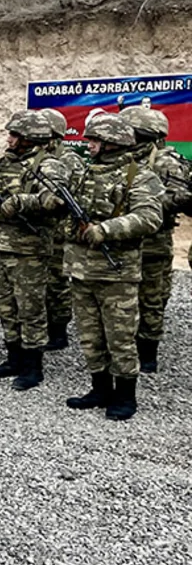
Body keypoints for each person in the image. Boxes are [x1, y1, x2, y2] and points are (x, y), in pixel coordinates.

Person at [63, 115, 162, 420]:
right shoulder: (84, 172)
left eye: (94, 140)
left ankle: (126, 395)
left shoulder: (139, 176)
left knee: (120, 337)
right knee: (90, 336)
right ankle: (100, 388)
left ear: (112, 143)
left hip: (116, 272)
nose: (89, 144)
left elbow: (149, 217)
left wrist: (106, 229)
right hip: (81, 269)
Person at [0, 111, 65, 391]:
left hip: (29, 250)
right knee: (5, 305)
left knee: (30, 308)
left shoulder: (48, 164)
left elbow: (57, 199)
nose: (9, 139)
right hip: (0, 246)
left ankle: (33, 366)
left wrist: (22, 201)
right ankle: (13, 357)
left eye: (14, 135)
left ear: (29, 138)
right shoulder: (4, 163)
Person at [120, 105, 190, 374]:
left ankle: (148, 351)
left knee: (151, 297)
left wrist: (144, 203)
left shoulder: (165, 162)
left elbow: (180, 199)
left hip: (154, 242)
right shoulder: (122, 159)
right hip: (123, 239)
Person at [38, 108, 84, 350]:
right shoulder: (38, 157)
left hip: (60, 233)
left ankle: (58, 332)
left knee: (57, 282)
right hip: (40, 231)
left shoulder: (69, 160)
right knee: (40, 281)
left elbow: (75, 197)